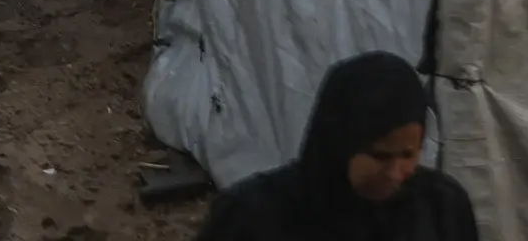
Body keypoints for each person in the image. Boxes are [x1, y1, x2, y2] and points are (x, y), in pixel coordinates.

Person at [203, 54, 480, 241]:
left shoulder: (441, 209)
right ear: (340, 144)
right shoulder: (254, 218)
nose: (395, 172)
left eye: (408, 155)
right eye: (379, 156)